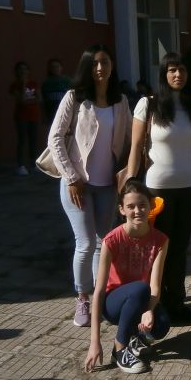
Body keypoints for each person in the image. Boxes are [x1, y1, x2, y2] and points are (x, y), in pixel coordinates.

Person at [48, 44, 132, 328]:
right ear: (87, 67)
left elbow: (128, 139)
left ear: (111, 66)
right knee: (84, 244)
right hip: (78, 185)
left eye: (105, 62)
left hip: (107, 185)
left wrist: (127, 175)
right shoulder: (75, 98)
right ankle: (82, 297)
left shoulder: (120, 101)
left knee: (102, 243)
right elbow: (55, 138)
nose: (100, 68)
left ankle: (100, 297)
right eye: (95, 63)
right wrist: (71, 177)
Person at [126, 52, 191, 324]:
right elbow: (136, 147)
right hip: (157, 189)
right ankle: (153, 303)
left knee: (180, 248)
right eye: (172, 70)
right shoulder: (148, 105)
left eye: (182, 70)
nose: (177, 75)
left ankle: (176, 303)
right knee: (156, 248)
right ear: (163, 74)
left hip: (189, 187)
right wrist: (130, 183)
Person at [84, 180, 171, 375]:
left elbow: (155, 286)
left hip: (141, 298)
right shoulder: (111, 240)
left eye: (142, 205)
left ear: (151, 206)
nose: (137, 211)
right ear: (122, 210)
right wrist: (94, 342)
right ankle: (120, 349)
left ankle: (133, 338)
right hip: (113, 303)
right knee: (140, 288)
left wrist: (149, 310)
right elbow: (98, 292)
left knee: (161, 324)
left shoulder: (161, 240)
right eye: (131, 206)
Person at [9, 61, 40, 175]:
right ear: (16, 71)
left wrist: (28, 102)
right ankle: (21, 165)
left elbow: (39, 99)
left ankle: (33, 164)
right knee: (22, 140)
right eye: (20, 69)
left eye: (25, 69)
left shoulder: (34, 83)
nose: (23, 71)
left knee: (33, 140)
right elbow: (21, 100)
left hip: (34, 115)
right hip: (21, 116)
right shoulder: (14, 85)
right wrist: (23, 84)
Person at [41, 58, 70, 125]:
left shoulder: (67, 81)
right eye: (53, 67)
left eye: (57, 66)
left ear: (61, 67)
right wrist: (44, 115)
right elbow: (43, 101)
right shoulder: (46, 83)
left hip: (66, 112)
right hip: (52, 113)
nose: (55, 69)